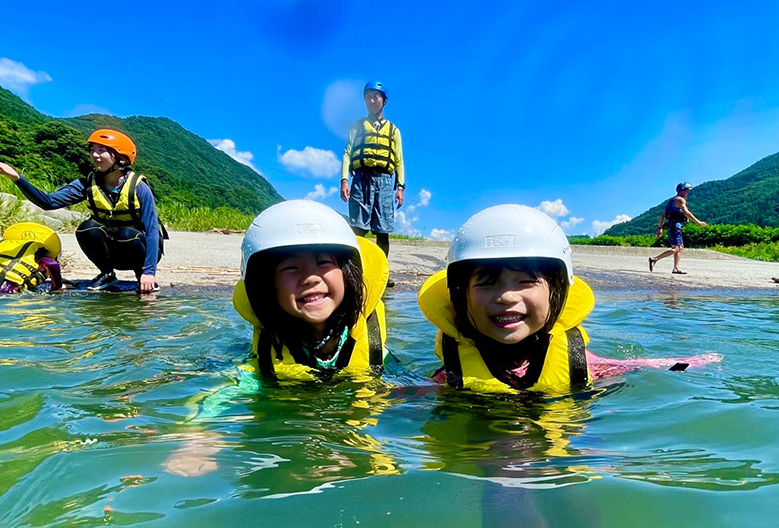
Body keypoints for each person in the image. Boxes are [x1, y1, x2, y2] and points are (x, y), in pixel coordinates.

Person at [418, 204, 721, 394]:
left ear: (557, 292)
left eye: (526, 282)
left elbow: (637, 367)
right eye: (486, 283)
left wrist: (693, 363)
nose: (507, 296)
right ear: (461, 295)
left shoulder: (580, 364)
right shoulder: (449, 377)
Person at [232, 199, 389, 381]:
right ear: (268, 286)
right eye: (291, 268)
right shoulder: (260, 363)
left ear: (347, 274)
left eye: (323, 262)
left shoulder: (374, 348)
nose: (311, 278)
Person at [0, 129, 165, 293]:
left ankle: (142, 277)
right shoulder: (87, 184)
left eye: (101, 150)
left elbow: (152, 230)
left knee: (126, 234)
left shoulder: (139, 188)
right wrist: (17, 178)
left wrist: (149, 272)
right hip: (112, 252)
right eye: (92, 150)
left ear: (121, 158)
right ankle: (107, 274)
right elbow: (48, 202)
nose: (95, 155)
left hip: (140, 250)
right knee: (87, 228)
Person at [340, 80, 405, 287]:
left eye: (376, 96)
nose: (371, 99)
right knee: (358, 228)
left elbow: (399, 160)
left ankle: (382, 273)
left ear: (384, 101)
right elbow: (347, 153)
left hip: (385, 181)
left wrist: (400, 187)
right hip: (361, 179)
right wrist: (344, 180)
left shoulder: (393, 130)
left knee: (383, 231)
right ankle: (353, 270)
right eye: (368, 96)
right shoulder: (357, 126)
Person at [649, 182, 707, 275]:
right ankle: (655, 259)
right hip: (675, 227)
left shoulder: (671, 201)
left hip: (671, 226)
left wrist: (660, 228)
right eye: (687, 190)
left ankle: (676, 268)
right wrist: (698, 222)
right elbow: (686, 213)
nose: (688, 192)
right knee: (677, 248)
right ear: (682, 191)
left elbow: (663, 215)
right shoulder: (680, 200)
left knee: (680, 247)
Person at [0, 222, 62, 294]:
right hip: (7, 291)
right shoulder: (41, 256)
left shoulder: (4, 245)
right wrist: (57, 288)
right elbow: (52, 264)